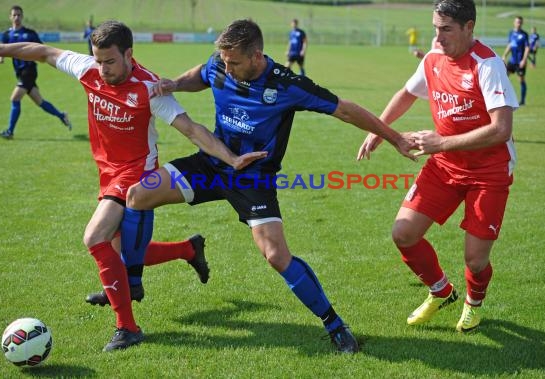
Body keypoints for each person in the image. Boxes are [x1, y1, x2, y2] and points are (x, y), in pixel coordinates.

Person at [122, 19, 415, 354]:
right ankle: (132, 282)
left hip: (253, 179)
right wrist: (173, 83)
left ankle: (335, 325)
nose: (227, 68)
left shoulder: (286, 85)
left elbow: (345, 110)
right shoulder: (221, 63)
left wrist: (393, 138)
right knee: (138, 195)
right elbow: (201, 73)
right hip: (213, 164)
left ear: (256, 56)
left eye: (234, 63)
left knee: (276, 255)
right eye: (224, 61)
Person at [0, 20, 266, 352]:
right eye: (98, 60)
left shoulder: (148, 88)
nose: (102, 68)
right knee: (121, 251)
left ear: (128, 54)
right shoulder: (88, 69)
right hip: (106, 171)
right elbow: (42, 51)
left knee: (94, 237)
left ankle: (128, 327)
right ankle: (188, 249)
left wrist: (232, 158)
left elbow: (192, 130)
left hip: (136, 175)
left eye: (110, 61)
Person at [358, 0, 517, 333]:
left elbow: (502, 128)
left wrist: (441, 143)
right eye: (435, 29)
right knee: (404, 233)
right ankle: (441, 290)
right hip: (444, 165)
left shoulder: (487, 65)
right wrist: (380, 130)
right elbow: (407, 93)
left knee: (475, 259)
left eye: (446, 30)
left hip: (488, 171)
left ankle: (474, 303)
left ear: (468, 27)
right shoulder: (432, 59)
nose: (438, 38)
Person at [0, 5, 72, 140]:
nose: (17, 17)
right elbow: (2, 50)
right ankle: (62, 116)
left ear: (22, 16)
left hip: (29, 70)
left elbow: (43, 49)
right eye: (14, 15)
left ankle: (10, 131)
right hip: (19, 72)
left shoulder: (30, 33)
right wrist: (0, 58)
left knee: (15, 98)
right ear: (10, 17)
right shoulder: (6, 35)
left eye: (19, 15)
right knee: (40, 102)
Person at [502, 16, 530, 105]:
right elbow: (510, 45)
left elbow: (527, 48)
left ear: (522, 23)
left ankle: (522, 100)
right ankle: (502, 98)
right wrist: (504, 55)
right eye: (517, 22)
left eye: (520, 22)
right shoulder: (511, 33)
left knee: (521, 80)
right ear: (514, 23)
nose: (519, 24)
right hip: (512, 61)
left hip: (520, 62)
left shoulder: (524, 34)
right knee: (503, 78)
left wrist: (524, 60)